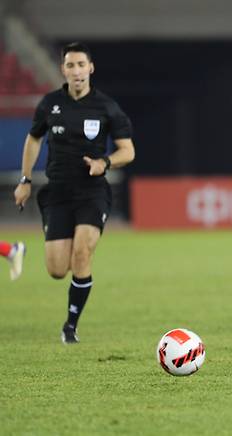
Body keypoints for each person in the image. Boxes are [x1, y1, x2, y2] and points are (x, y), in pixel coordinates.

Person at [13, 42, 135, 344]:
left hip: (92, 192)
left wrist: (103, 162)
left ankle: (70, 326)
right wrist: (25, 180)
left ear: (90, 68)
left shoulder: (107, 107)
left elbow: (128, 151)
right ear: (63, 69)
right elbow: (33, 141)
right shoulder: (50, 104)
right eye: (71, 65)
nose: (77, 71)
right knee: (56, 269)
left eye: (81, 65)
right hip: (57, 192)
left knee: (82, 253)